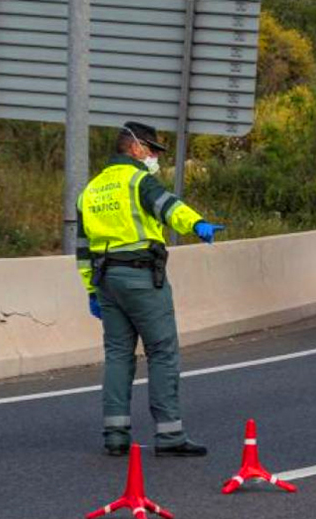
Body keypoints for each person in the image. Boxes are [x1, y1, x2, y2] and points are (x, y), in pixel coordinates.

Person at [75, 121, 225, 457]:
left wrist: (91, 291)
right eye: (152, 150)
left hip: (106, 281)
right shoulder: (138, 180)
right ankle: (170, 435)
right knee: (162, 352)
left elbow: (82, 248)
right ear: (135, 147)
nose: (154, 157)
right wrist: (198, 224)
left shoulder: (90, 191)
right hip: (141, 277)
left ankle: (115, 435)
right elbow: (168, 207)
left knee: (117, 355)